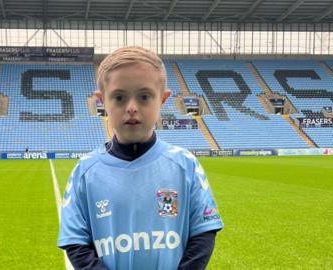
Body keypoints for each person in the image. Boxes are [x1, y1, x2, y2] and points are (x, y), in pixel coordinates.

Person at [58, 46, 223, 270]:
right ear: (102, 101)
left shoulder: (185, 165)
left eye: (144, 96)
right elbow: (76, 243)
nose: (132, 108)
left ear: (162, 100)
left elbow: (203, 233)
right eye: (119, 97)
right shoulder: (85, 171)